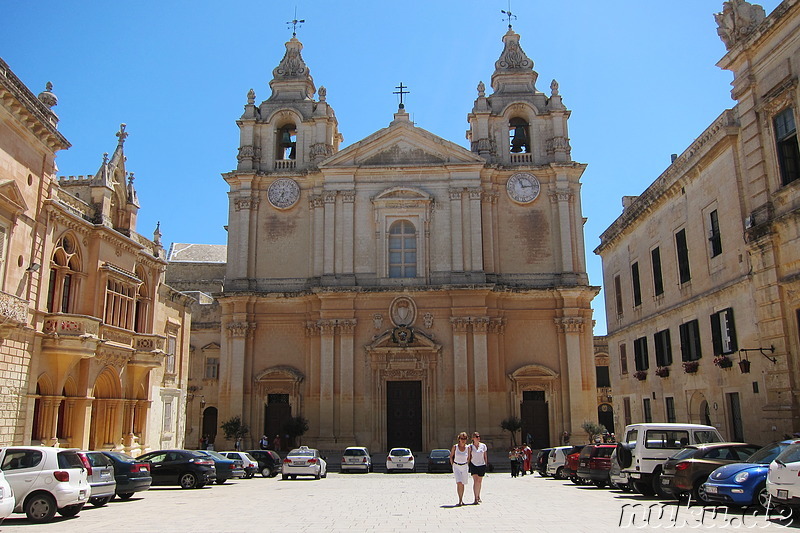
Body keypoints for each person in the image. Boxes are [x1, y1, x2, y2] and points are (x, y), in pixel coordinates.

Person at [449, 432, 471, 506]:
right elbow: (451, 456)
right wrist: (453, 464)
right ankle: (460, 500)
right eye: (462, 438)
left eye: (465, 438)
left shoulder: (468, 448)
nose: (463, 440)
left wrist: (466, 464)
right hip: (457, 466)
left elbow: (469, 457)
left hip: (464, 466)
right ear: (459, 439)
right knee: (459, 483)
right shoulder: (455, 447)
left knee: (463, 483)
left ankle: (462, 499)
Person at [469, 432, 489, 504]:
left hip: (482, 464)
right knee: (475, 481)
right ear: (473, 438)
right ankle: (475, 498)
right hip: (473, 464)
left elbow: (485, 455)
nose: (478, 438)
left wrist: (486, 463)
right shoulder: (470, 447)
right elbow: (469, 456)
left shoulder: (483, 446)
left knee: (479, 481)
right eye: (476, 436)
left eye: (479, 436)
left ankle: (478, 495)